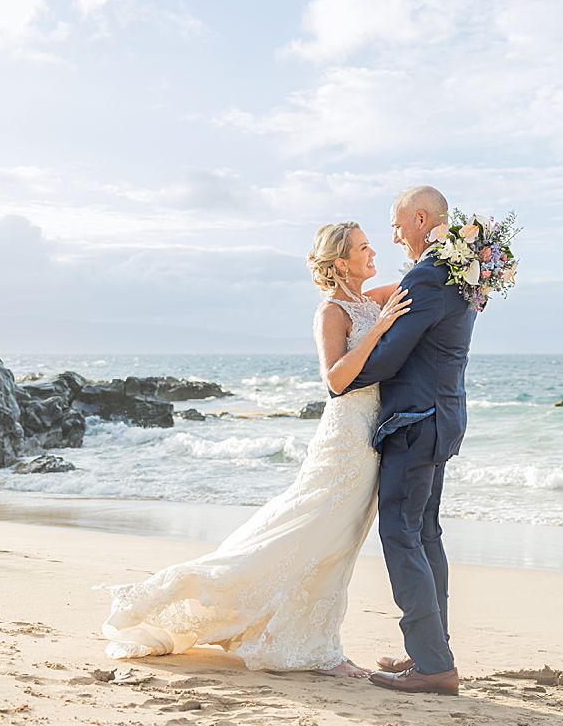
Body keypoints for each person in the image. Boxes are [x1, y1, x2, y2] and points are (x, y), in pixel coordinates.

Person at [97, 221, 409, 678]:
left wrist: (468, 254)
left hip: (369, 437)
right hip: (345, 436)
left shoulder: (369, 299)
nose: (373, 252)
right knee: (319, 536)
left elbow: (417, 279)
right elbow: (336, 380)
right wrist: (379, 329)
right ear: (341, 262)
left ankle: (311, 638)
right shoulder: (332, 312)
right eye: (364, 248)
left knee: (338, 542)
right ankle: (315, 649)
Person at [337, 185, 477, 696]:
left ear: (422, 219)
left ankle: (434, 666)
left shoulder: (429, 274)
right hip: (443, 416)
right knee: (425, 534)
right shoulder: (461, 273)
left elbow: (391, 356)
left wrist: (344, 379)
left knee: (400, 534)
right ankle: (429, 653)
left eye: (398, 226)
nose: (395, 236)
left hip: (415, 421)